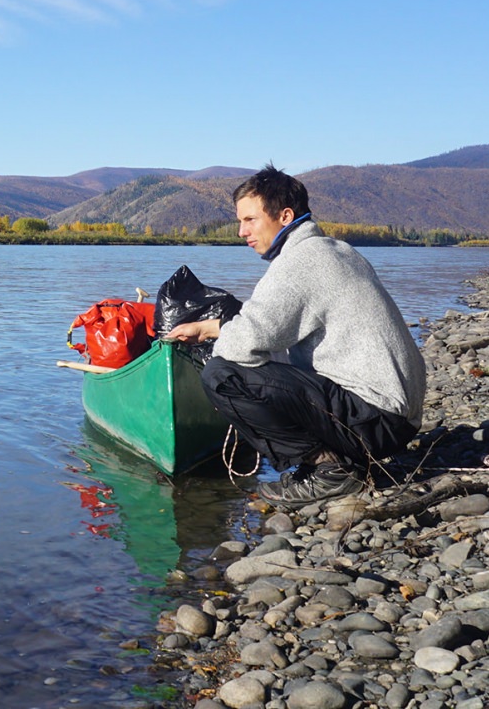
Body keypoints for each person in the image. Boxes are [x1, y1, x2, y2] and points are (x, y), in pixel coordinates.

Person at [169, 165, 425, 508]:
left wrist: (221, 336)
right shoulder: (335, 250)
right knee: (258, 359)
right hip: (396, 418)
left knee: (221, 374)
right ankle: (340, 461)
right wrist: (210, 327)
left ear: (285, 216)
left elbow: (243, 344)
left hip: (375, 421)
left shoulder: (301, 262)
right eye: (240, 221)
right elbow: (277, 324)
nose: (241, 231)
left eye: (250, 220)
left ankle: (331, 470)